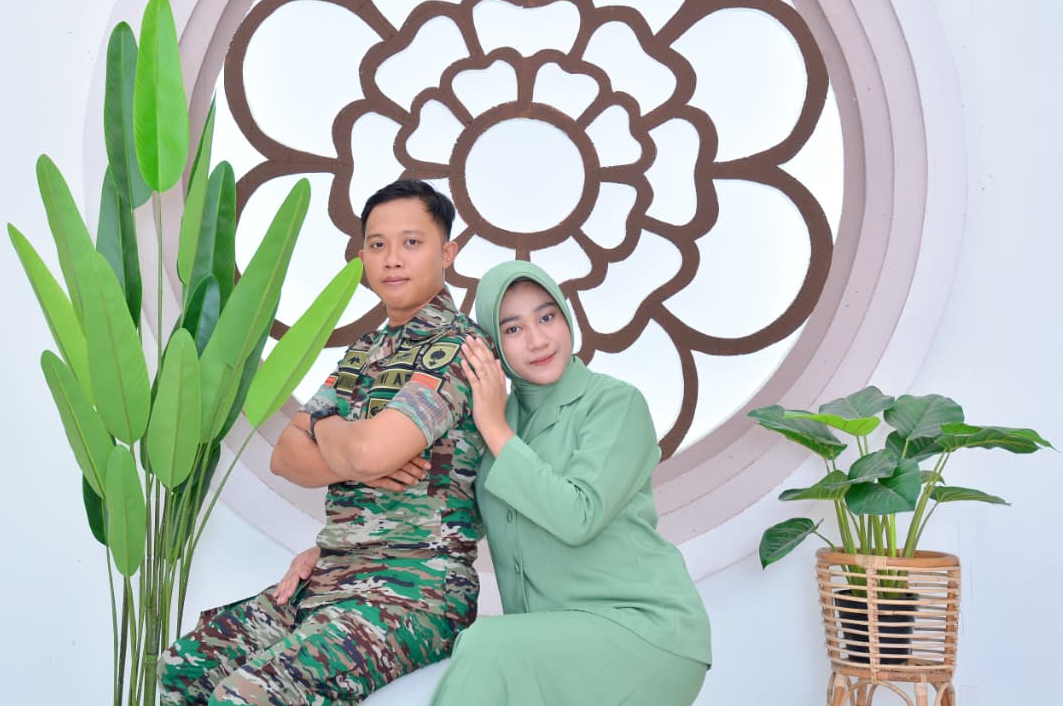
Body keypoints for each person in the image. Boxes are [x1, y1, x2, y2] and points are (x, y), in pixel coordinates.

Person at [159, 180, 493, 705]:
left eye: (412, 242)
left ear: (446, 253)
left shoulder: (457, 347)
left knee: (245, 696)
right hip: (331, 574)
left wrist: (328, 431)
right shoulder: (365, 351)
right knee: (182, 668)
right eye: (378, 244)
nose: (392, 259)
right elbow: (284, 457)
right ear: (362, 257)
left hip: (413, 592)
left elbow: (362, 451)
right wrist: (355, 458)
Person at [429, 260, 712, 705]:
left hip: (646, 630)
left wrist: (494, 427)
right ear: (493, 345)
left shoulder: (614, 403)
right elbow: (443, 524)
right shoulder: (497, 424)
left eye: (547, 317)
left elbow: (578, 515)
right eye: (513, 329)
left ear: (567, 316)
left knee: (487, 646)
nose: (538, 340)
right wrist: (335, 551)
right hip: (554, 644)